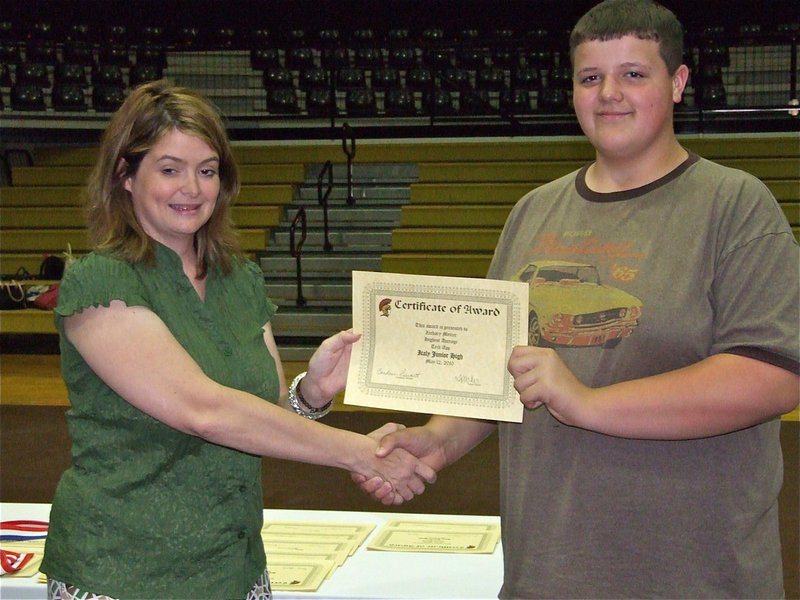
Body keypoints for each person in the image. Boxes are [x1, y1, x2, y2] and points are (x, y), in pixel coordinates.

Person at [357, 1, 800, 597]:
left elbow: (770, 378)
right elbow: (495, 374)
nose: (609, 93)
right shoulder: (533, 212)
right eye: (591, 77)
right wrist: (440, 439)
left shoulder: (736, 207)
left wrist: (588, 403)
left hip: (693, 576)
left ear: (678, 83)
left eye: (633, 74)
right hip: (548, 572)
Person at [39, 79, 436, 600]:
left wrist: (311, 393)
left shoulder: (239, 279)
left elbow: (263, 417)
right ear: (126, 175)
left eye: (207, 171)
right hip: (124, 572)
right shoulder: (101, 282)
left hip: (235, 566)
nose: (193, 188)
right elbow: (205, 411)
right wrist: (362, 453)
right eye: (170, 169)